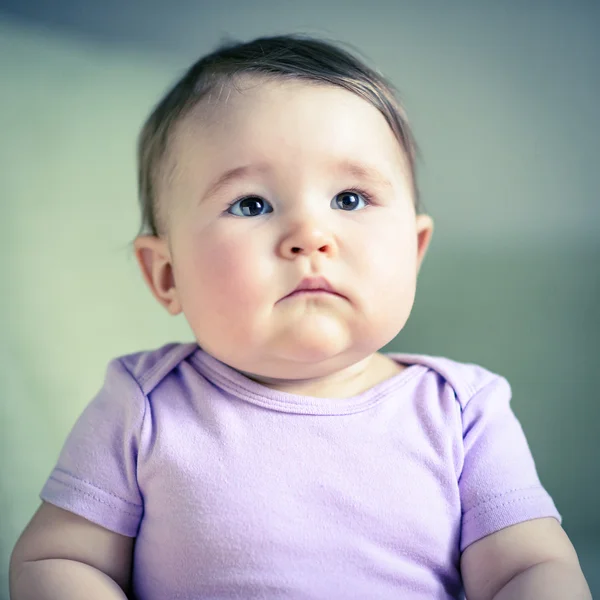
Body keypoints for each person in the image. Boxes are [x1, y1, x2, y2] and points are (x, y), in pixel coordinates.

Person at [9, 35, 591, 600]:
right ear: (167, 273)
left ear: (413, 252)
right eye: (252, 204)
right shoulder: (145, 405)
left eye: (350, 199)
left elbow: (529, 567)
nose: (310, 235)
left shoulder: (462, 412)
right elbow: (57, 559)